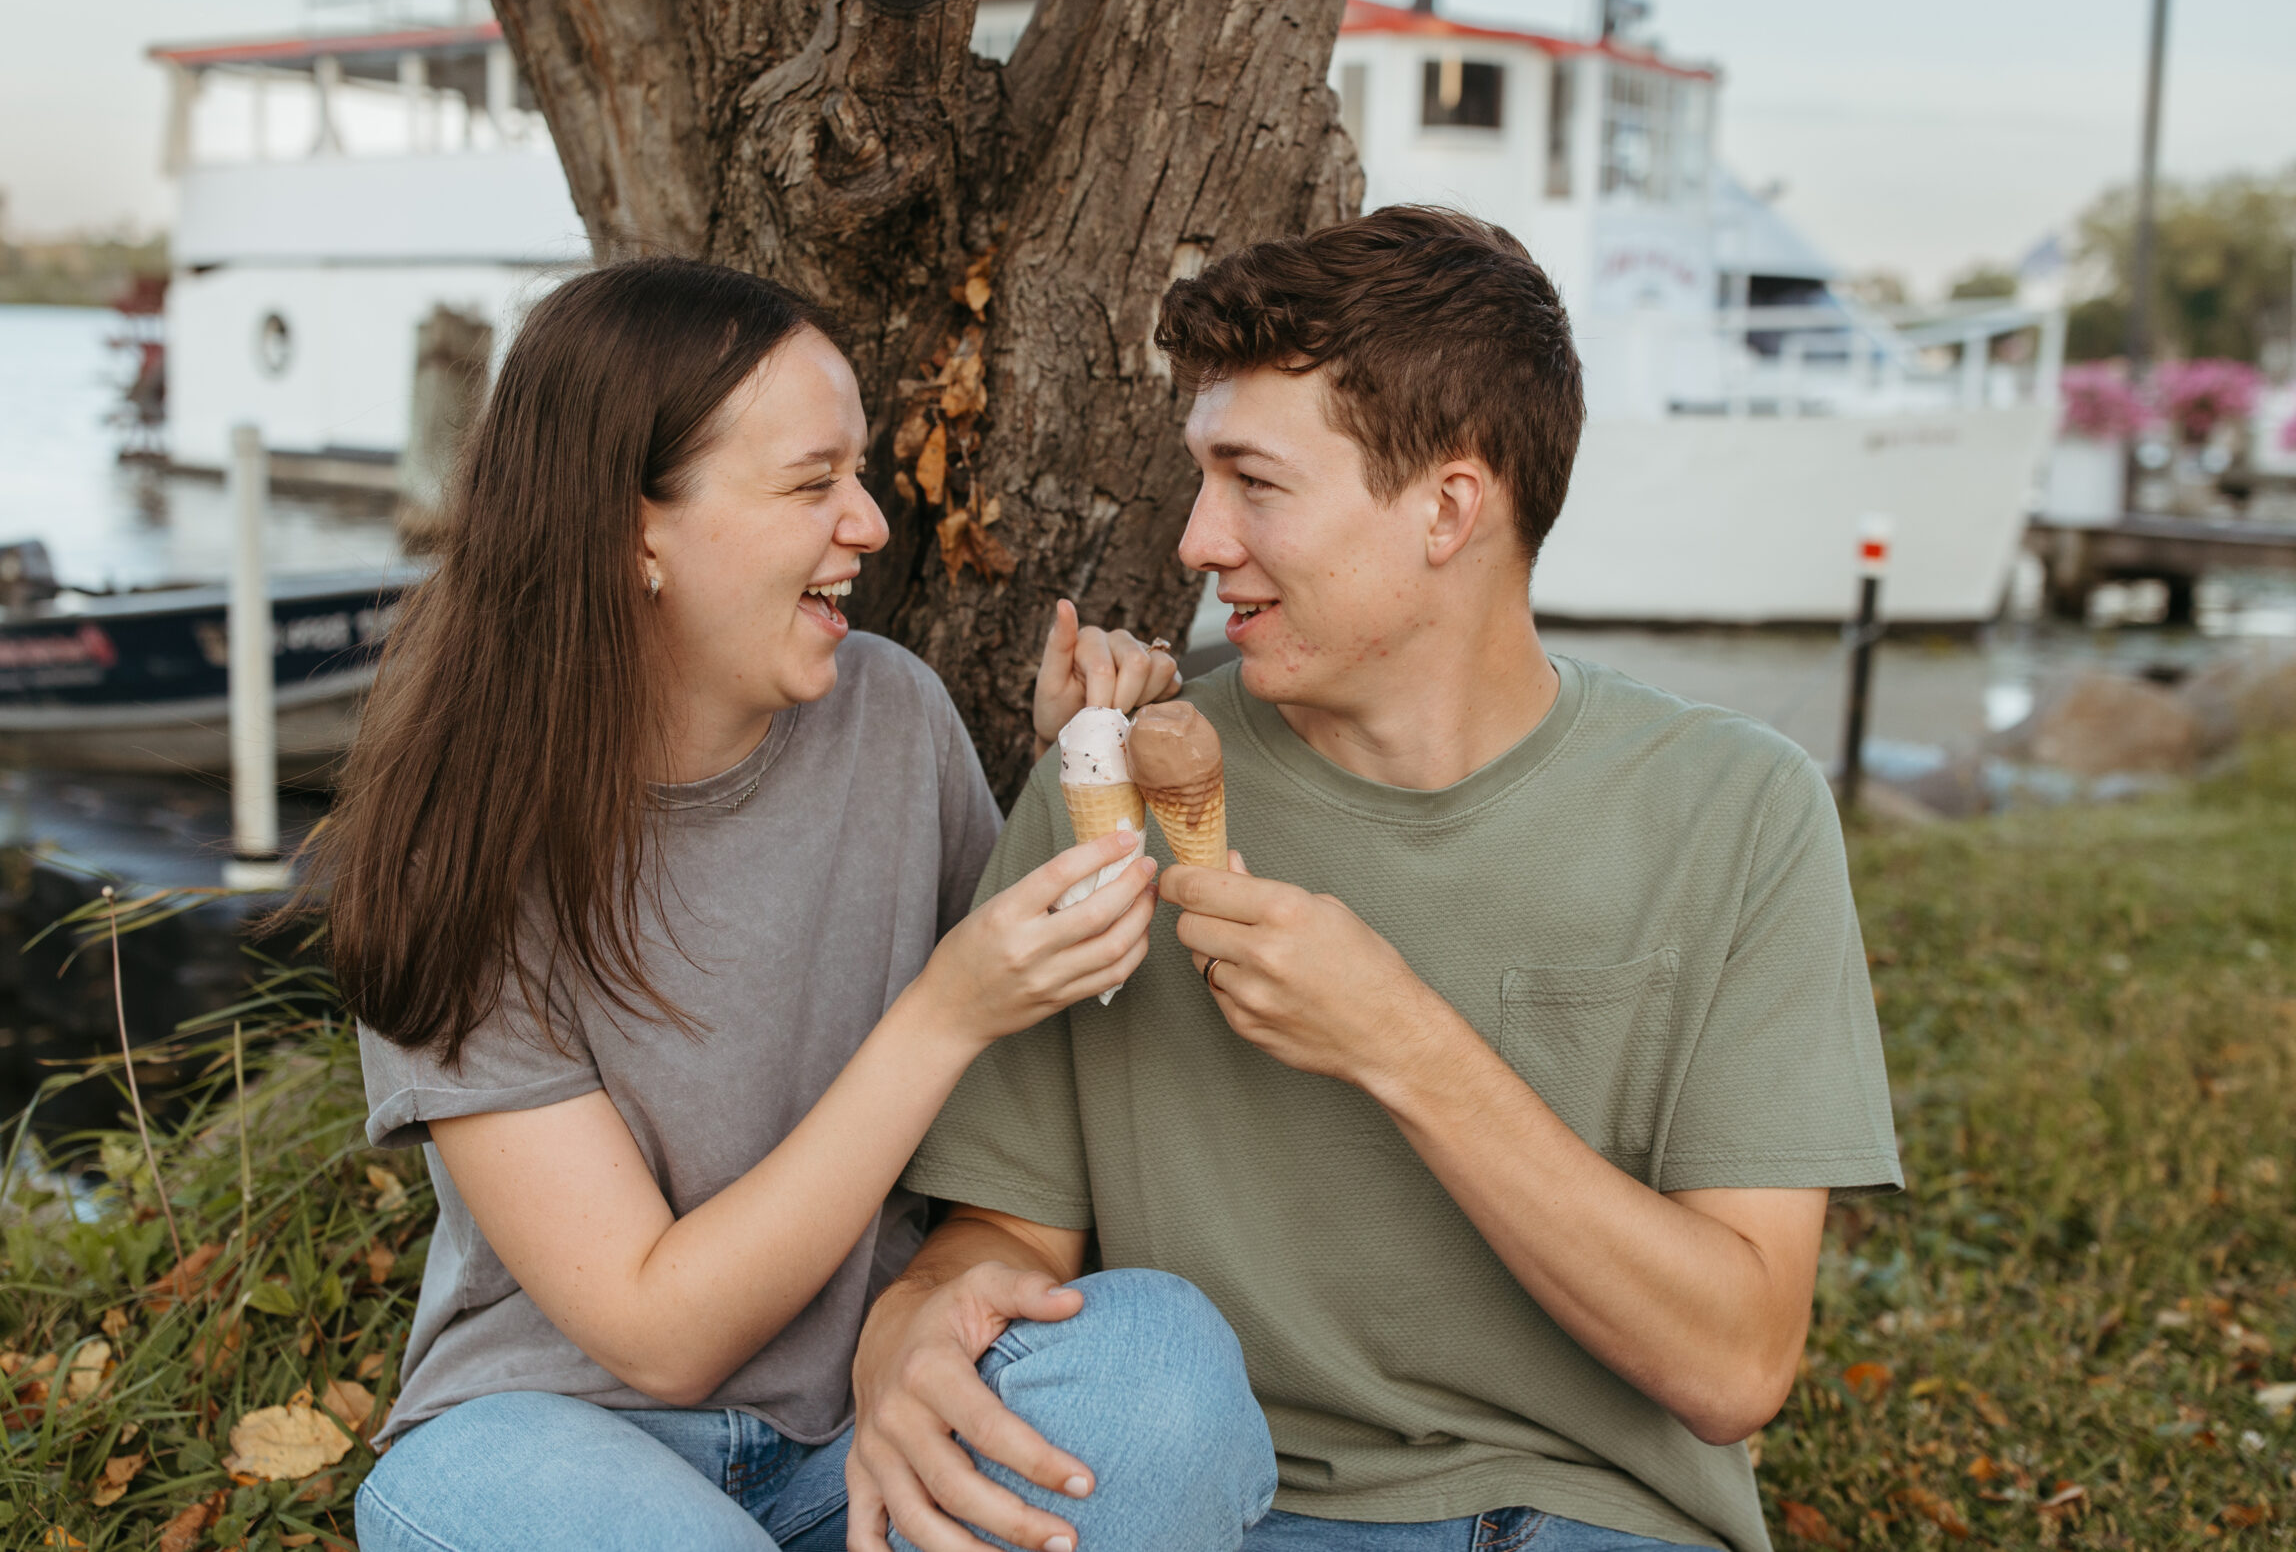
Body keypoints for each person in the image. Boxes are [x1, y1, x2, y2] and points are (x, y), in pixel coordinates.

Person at [847, 206, 1904, 1552]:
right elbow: (1003, 1234)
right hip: (1239, 1503)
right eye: (1201, 477)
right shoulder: (1104, 792)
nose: (1196, 540)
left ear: (1449, 507)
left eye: (1255, 482)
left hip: (1605, 1517)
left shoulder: (1737, 810)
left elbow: (1736, 1365)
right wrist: (911, 1329)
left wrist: (1400, 1041)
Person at [321, 258, 1181, 1552]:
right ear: (633, 532)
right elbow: (659, 1331)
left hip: (861, 1427)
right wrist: (943, 1010)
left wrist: (1081, 780)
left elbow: (1034, 1076)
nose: (873, 524)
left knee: (1164, 1378)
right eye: (810, 482)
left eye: (858, 473)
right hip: (556, 1434)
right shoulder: (462, 841)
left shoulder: (891, 718)